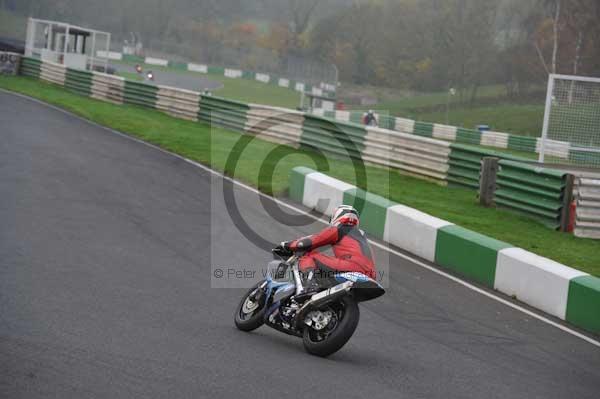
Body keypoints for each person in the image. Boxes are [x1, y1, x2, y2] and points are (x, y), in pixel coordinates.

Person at [275, 205, 376, 292]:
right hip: (370, 275)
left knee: (309, 255)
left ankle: (308, 287)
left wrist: (288, 245)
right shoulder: (363, 238)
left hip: (351, 266)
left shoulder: (340, 228)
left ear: (337, 216)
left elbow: (312, 241)